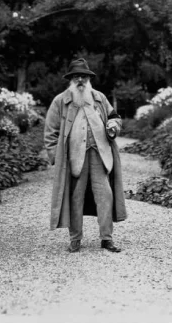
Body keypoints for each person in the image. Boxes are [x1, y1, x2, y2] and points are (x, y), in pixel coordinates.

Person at [44, 58, 127, 253]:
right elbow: (50, 131)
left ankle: (107, 238)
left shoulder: (99, 98)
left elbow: (115, 117)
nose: (80, 80)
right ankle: (75, 240)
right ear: (71, 79)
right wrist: (55, 157)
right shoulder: (61, 101)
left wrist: (114, 126)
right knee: (75, 198)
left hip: (99, 155)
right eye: (76, 76)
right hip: (74, 158)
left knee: (105, 195)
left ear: (89, 78)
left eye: (84, 76)